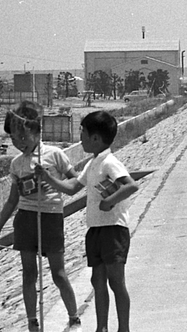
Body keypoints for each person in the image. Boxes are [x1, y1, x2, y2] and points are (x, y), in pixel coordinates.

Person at [37, 111, 139, 332]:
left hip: (113, 228)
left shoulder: (109, 162)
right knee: (98, 280)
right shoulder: (92, 164)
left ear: (96, 138)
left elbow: (131, 185)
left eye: (82, 133)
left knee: (116, 281)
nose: (80, 138)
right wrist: (48, 178)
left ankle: (124, 328)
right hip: (95, 229)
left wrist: (109, 202)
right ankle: (101, 327)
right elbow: (73, 187)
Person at [0, 101, 81, 332]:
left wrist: (49, 179)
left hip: (50, 218)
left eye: (23, 138)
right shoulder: (17, 164)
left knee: (58, 273)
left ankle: (74, 315)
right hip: (26, 219)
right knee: (29, 273)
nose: (19, 144)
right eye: (15, 140)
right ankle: (32, 322)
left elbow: (75, 181)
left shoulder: (54, 154)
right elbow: (12, 200)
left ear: (37, 132)